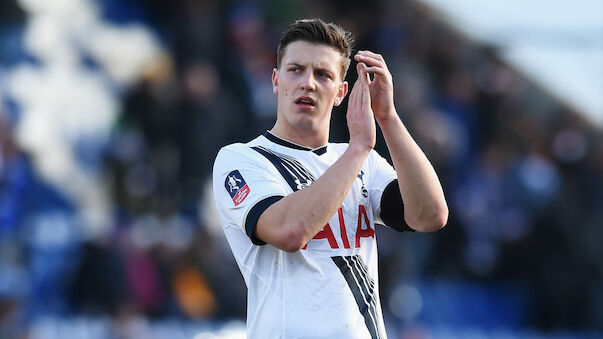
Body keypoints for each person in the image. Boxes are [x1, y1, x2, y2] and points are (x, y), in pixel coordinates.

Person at [212, 18, 448, 338]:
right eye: (296, 69)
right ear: (276, 80)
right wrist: (359, 147)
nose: (308, 83)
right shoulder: (243, 159)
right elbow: (289, 231)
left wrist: (388, 117)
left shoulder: (363, 162)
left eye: (323, 74)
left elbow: (430, 215)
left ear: (341, 93)